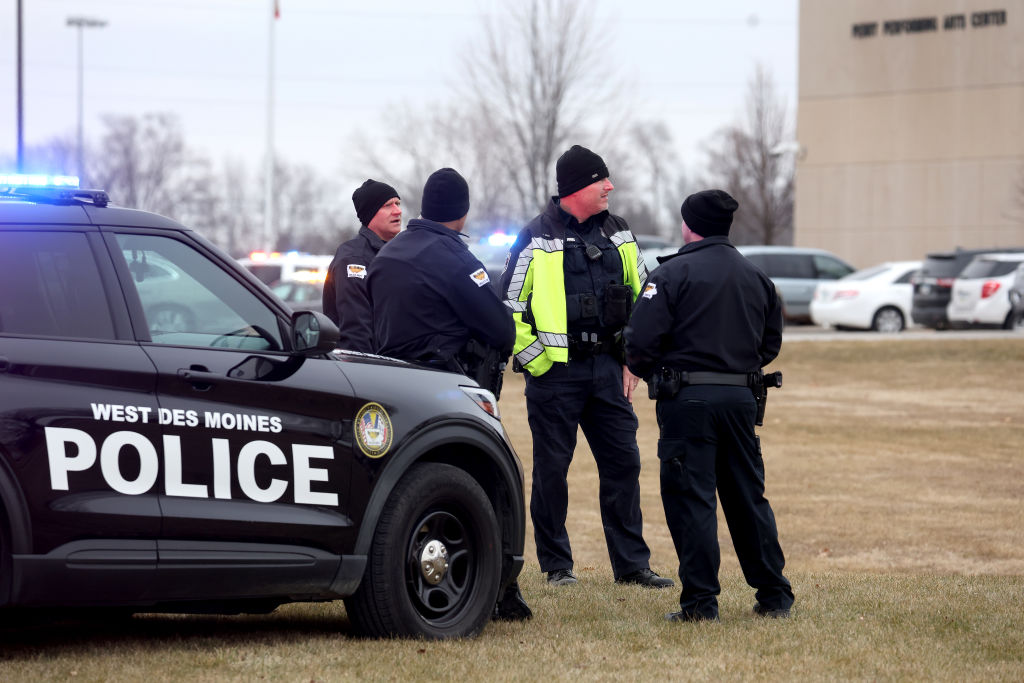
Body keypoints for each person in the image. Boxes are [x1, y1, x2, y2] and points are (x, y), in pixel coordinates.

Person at [499, 144, 673, 589]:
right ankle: (557, 567)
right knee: (553, 470)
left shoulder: (619, 231)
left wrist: (634, 358)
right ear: (578, 187)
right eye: (602, 180)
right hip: (556, 376)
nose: (610, 187)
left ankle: (632, 566)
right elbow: (507, 308)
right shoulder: (535, 237)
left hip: (608, 373)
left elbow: (644, 296)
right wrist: (538, 362)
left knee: (624, 464)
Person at [367, 167, 531, 621]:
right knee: (490, 486)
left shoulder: (388, 254)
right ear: (461, 212)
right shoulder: (456, 259)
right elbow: (499, 328)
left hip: (395, 388)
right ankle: (501, 590)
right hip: (448, 387)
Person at [624, 189, 795, 622]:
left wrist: (661, 372)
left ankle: (701, 603)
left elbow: (639, 343)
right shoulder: (755, 276)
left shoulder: (671, 275)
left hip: (688, 402)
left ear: (688, 225)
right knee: (747, 497)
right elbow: (770, 342)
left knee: (691, 498)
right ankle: (774, 595)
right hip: (741, 399)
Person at [322, 178, 402, 352]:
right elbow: (356, 333)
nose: (397, 211)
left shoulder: (397, 253)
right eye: (388, 205)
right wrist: (367, 375)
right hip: (370, 370)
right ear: (370, 213)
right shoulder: (354, 259)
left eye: (398, 203)